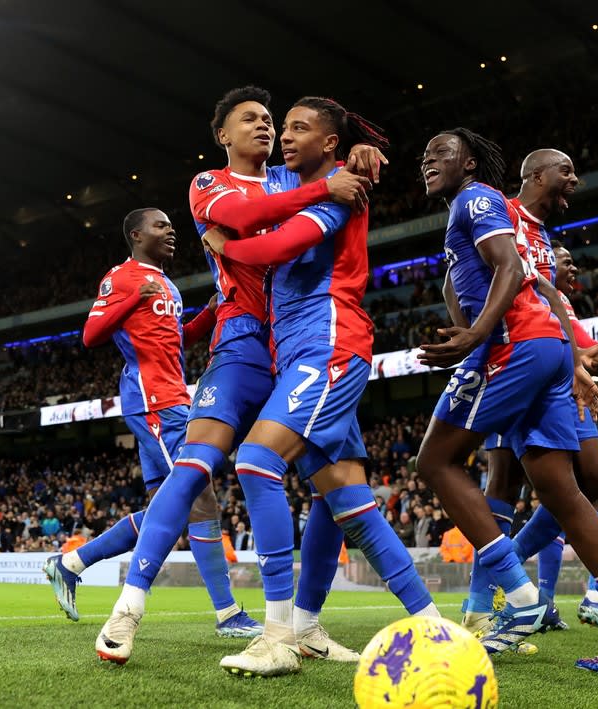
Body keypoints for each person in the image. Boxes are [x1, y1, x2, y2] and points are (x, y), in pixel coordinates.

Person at [93, 87, 389, 668]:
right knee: (194, 467)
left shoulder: (289, 176)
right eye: (249, 119)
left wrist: (361, 152)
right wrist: (324, 186)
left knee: (334, 483)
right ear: (223, 135)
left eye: (270, 120)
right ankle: (127, 609)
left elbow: (328, 169)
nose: (265, 126)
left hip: (303, 343)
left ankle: (303, 625)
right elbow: (242, 217)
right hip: (242, 341)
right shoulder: (210, 184)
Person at [201, 96, 439, 677]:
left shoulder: (343, 184)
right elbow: (245, 197)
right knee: (347, 501)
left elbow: (273, 246)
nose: (283, 136)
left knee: (257, 461)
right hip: (300, 349)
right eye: (281, 127)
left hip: (329, 338)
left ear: (329, 143)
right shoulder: (291, 178)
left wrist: (226, 247)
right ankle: (434, 626)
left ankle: (278, 634)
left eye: (299, 128)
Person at [414, 128, 598, 673]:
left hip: (515, 349)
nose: (427, 162)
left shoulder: (480, 201)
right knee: (557, 486)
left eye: (440, 153)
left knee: (435, 462)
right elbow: (530, 289)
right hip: (539, 350)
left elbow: (518, 279)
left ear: (472, 164)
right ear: (533, 177)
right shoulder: (511, 217)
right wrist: (569, 358)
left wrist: (474, 338)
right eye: (565, 171)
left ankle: (519, 599)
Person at [43, 206, 262, 640]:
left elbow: (178, 341)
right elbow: (90, 335)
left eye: (171, 225)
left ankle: (70, 563)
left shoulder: (166, 284)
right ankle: (227, 613)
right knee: (201, 498)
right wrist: (132, 296)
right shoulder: (122, 277)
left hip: (172, 396)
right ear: (136, 235)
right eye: (161, 225)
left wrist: (212, 313)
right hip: (154, 401)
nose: (171, 231)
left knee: (171, 507)